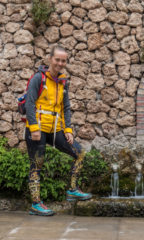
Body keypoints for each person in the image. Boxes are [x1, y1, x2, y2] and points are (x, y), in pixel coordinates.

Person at [25, 45, 92, 216]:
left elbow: (66, 108)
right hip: (37, 128)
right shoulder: (38, 79)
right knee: (36, 165)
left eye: (63, 61)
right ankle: (36, 204)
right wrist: (33, 128)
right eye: (57, 60)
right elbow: (30, 104)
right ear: (50, 59)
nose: (60, 63)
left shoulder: (63, 82)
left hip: (55, 129)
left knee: (79, 152)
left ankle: (73, 189)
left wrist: (68, 129)